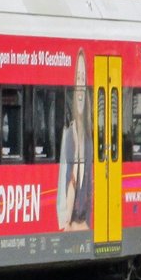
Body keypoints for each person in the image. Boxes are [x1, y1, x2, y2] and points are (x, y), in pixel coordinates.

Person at [57, 49, 92, 230]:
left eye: (83, 78)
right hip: (73, 223)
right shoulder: (70, 136)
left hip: (83, 223)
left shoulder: (89, 137)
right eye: (77, 78)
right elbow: (70, 181)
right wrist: (67, 223)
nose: (80, 85)